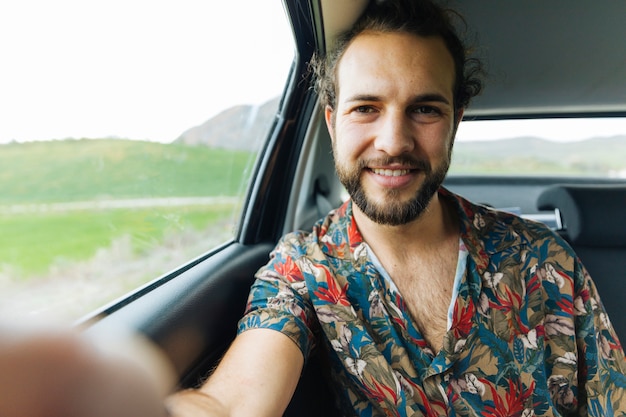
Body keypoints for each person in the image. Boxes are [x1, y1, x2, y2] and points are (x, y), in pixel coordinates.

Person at [1, 0, 624, 416]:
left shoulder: (542, 260)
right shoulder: (305, 268)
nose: (393, 141)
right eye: (365, 108)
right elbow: (236, 401)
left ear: (456, 120)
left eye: (425, 109)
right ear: (332, 121)